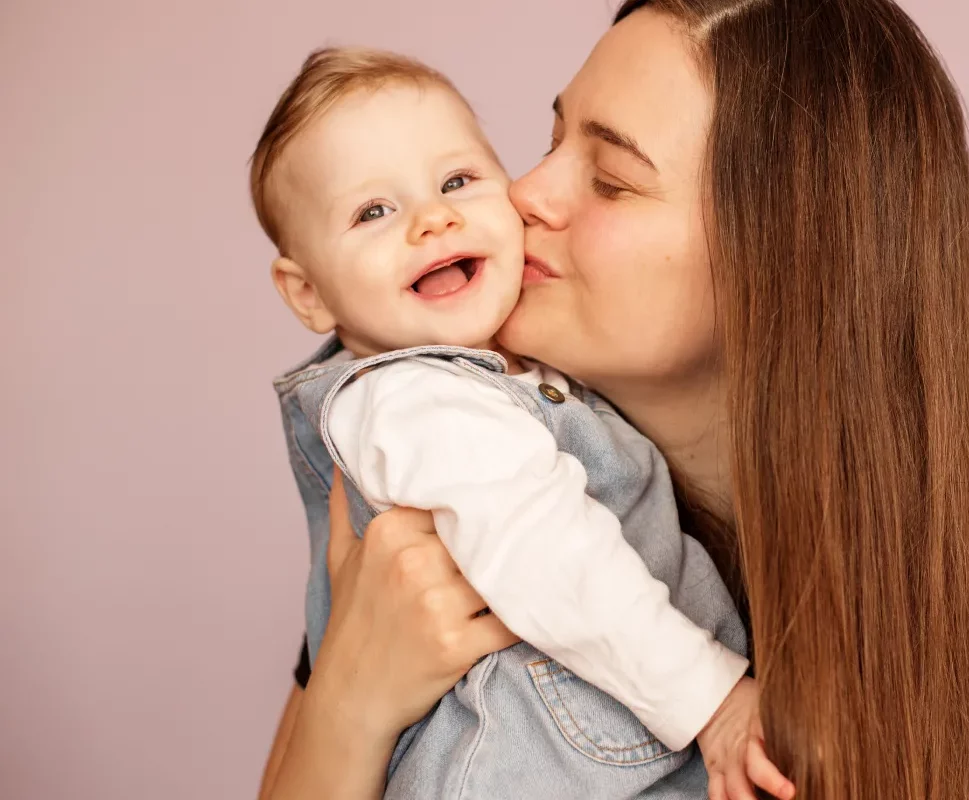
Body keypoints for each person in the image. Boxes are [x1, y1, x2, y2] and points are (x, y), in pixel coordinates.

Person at [259, 1, 969, 798]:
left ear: (780, 266)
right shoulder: (441, 491)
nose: (524, 193)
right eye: (550, 137)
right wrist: (348, 705)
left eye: (610, 178)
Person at [252, 47, 790, 799]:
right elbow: (550, 551)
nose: (434, 218)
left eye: (458, 180)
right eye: (374, 211)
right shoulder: (414, 405)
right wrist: (714, 702)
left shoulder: (491, 388)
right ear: (307, 294)